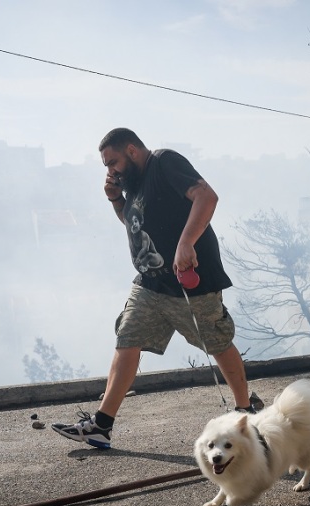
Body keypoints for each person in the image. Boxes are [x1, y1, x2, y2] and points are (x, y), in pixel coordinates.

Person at [52, 128, 261, 449]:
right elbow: (134, 223)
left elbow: (207, 197)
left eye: (113, 162)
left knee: (217, 342)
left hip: (190, 280)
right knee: (128, 338)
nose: (110, 170)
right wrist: (115, 200)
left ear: (133, 151)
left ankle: (246, 411)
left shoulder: (164, 163)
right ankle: (101, 425)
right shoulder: (131, 183)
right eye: (106, 166)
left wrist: (186, 243)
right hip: (150, 284)